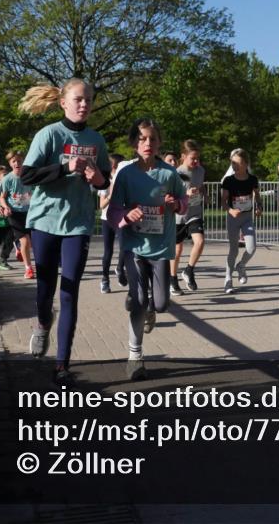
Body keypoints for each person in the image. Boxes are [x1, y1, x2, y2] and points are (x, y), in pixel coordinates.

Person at [19, 78, 110, 386]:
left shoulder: (97, 140)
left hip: (78, 225)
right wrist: (66, 167)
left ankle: (62, 364)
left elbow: (104, 180)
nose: (84, 104)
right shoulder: (49, 134)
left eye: (89, 100)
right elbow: (27, 176)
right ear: (63, 103)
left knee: (69, 292)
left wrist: (97, 178)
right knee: (45, 292)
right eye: (78, 99)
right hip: (45, 222)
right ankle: (43, 323)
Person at [107, 119, 187, 380]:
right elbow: (112, 211)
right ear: (134, 143)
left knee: (161, 304)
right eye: (142, 139)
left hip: (160, 246)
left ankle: (151, 309)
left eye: (152, 138)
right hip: (134, 246)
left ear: (159, 142)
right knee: (139, 301)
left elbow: (183, 200)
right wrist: (126, 215)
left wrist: (176, 204)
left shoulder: (169, 174)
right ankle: (135, 357)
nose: (147, 143)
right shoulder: (126, 174)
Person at [221, 148, 261, 294]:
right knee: (234, 249)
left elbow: (257, 195)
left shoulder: (252, 179)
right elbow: (223, 201)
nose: (234, 166)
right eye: (233, 163)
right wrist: (230, 210)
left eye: (237, 163)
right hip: (233, 218)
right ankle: (228, 279)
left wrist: (259, 207)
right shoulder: (228, 180)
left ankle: (241, 265)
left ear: (245, 164)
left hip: (247, 218)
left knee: (251, 248)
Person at [171, 139, 206, 294]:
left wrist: (204, 193)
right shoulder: (176, 173)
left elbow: (201, 185)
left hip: (194, 213)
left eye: (198, 158)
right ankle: (173, 280)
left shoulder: (200, 170)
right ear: (183, 156)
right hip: (179, 216)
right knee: (177, 250)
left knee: (200, 241)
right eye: (193, 158)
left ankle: (189, 270)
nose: (196, 161)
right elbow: (171, 195)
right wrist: (186, 193)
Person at [0, 151, 36, 280]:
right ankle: (28, 268)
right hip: (14, 213)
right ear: (10, 163)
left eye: (19, 160)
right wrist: (6, 207)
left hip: (29, 212)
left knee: (31, 242)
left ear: (23, 161)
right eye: (13, 161)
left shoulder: (29, 176)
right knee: (25, 240)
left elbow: (35, 192)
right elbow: (2, 197)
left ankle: (20, 248)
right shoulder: (7, 179)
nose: (17, 163)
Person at [97, 153, 127, 293]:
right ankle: (105, 279)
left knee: (125, 247)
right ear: (115, 165)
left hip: (121, 218)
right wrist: (111, 195)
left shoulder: (125, 181)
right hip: (107, 219)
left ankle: (120, 268)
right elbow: (101, 205)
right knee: (108, 251)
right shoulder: (105, 181)